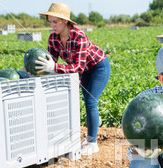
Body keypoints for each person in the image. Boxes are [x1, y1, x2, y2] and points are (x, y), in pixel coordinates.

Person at [37, 3, 111, 155]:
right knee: (80, 100)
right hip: (83, 70)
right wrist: (36, 68)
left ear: (65, 21)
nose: (52, 26)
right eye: (50, 22)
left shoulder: (79, 36)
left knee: (90, 102)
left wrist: (54, 67)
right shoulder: (53, 38)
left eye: (55, 22)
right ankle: (85, 137)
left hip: (99, 67)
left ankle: (92, 142)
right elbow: (52, 61)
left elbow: (78, 68)